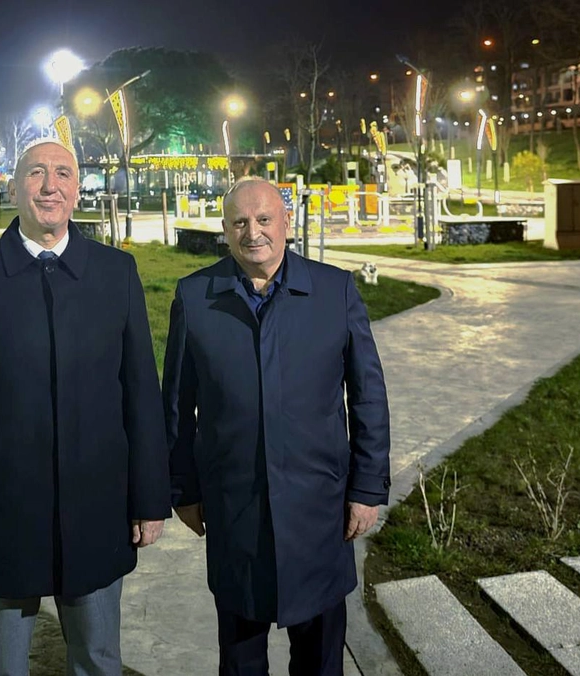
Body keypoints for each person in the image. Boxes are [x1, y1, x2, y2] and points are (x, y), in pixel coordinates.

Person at [0, 138, 171, 676]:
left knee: (98, 658)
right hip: (2, 514)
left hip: (97, 509)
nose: (50, 186)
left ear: (78, 191)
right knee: (2, 664)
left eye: (62, 174)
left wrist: (151, 499)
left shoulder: (117, 274)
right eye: (36, 173)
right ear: (14, 187)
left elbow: (141, 396)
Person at [162, 177, 390, 675]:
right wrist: (184, 489)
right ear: (225, 230)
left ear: (286, 221)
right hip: (235, 510)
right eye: (240, 222)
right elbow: (177, 404)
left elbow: (368, 396)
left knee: (320, 658)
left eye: (264, 219)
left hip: (320, 510)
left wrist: (368, 487)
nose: (253, 233)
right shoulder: (196, 297)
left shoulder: (334, 291)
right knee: (241, 658)